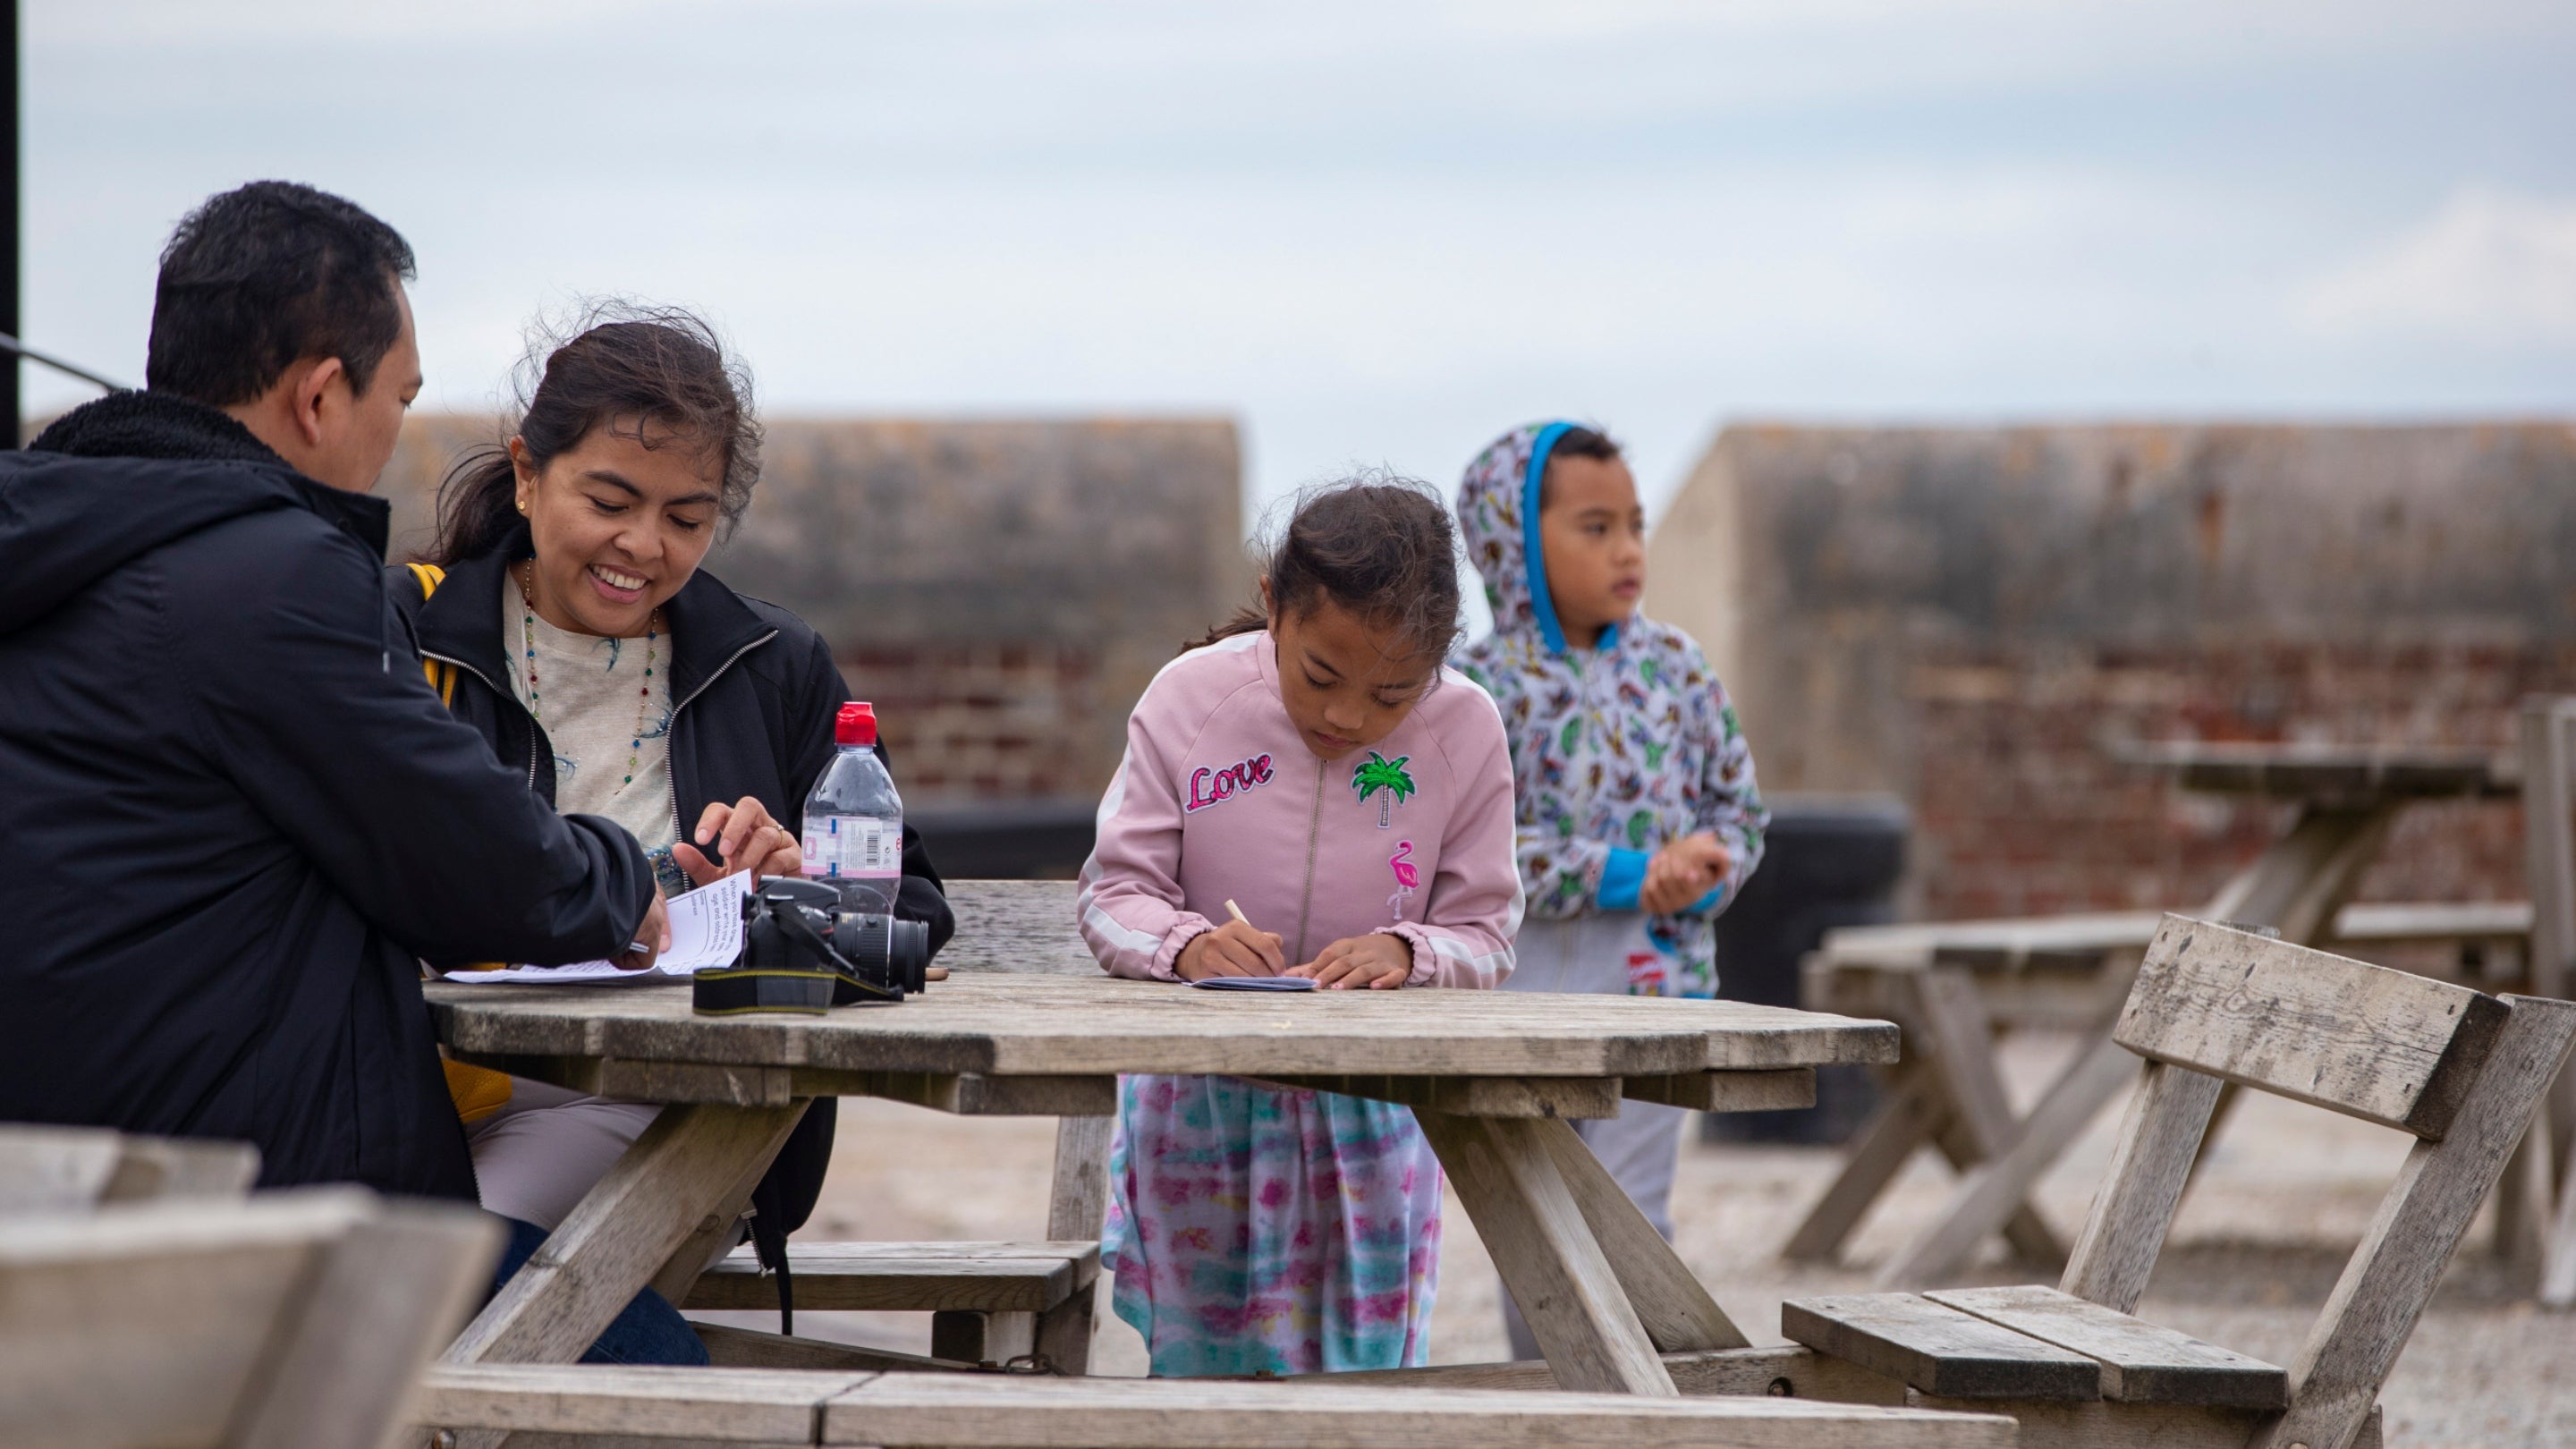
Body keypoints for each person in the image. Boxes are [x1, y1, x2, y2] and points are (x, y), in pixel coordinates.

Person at [0, 182, 659, 1199]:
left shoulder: (54, 544)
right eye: (398, 398)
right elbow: (478, 871)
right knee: (648, 1352)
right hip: (246, 1223)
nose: (397, 432)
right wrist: (631, 882)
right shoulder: (269, 579)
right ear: (318, 398)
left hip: (49, 1196)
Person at [392, 304, 954, 1275]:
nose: (643, 547)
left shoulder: (774, 662)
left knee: (429, 1284)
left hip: (673, 1101)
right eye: (609, 503)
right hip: (421, 1084)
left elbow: (912, 911)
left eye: (685, 519)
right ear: (527, 474)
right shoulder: (409, 629)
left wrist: (797, 889)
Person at [1076, 475, 1524, 1376]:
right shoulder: (1187, 700)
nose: (1346, 716)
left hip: (1375, 1112)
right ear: (1274, 606)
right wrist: (1186, 944)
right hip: (1199, 1100)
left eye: (1394, 693)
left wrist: (1409, 949)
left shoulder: (1466, 730)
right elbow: (1113, 894)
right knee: (1201, 1377)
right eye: (1319, 674)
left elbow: (1487, 929)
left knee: (1361, 1383)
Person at [1452, 420, 1768, 1360]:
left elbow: (1739, 809)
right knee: (1537, 1227)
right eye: (1594, 527)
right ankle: (1560, 1402)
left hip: (1656, 991)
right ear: (1512, 543)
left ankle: (1636, 1401)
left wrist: (1707, 866)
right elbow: (1474, 847)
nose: (1628, 548)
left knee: (1632, 1219)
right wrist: (1628, 872)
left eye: (1634, 523)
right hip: (1524, 1002)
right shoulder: (1476, 689)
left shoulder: (1678, 670)